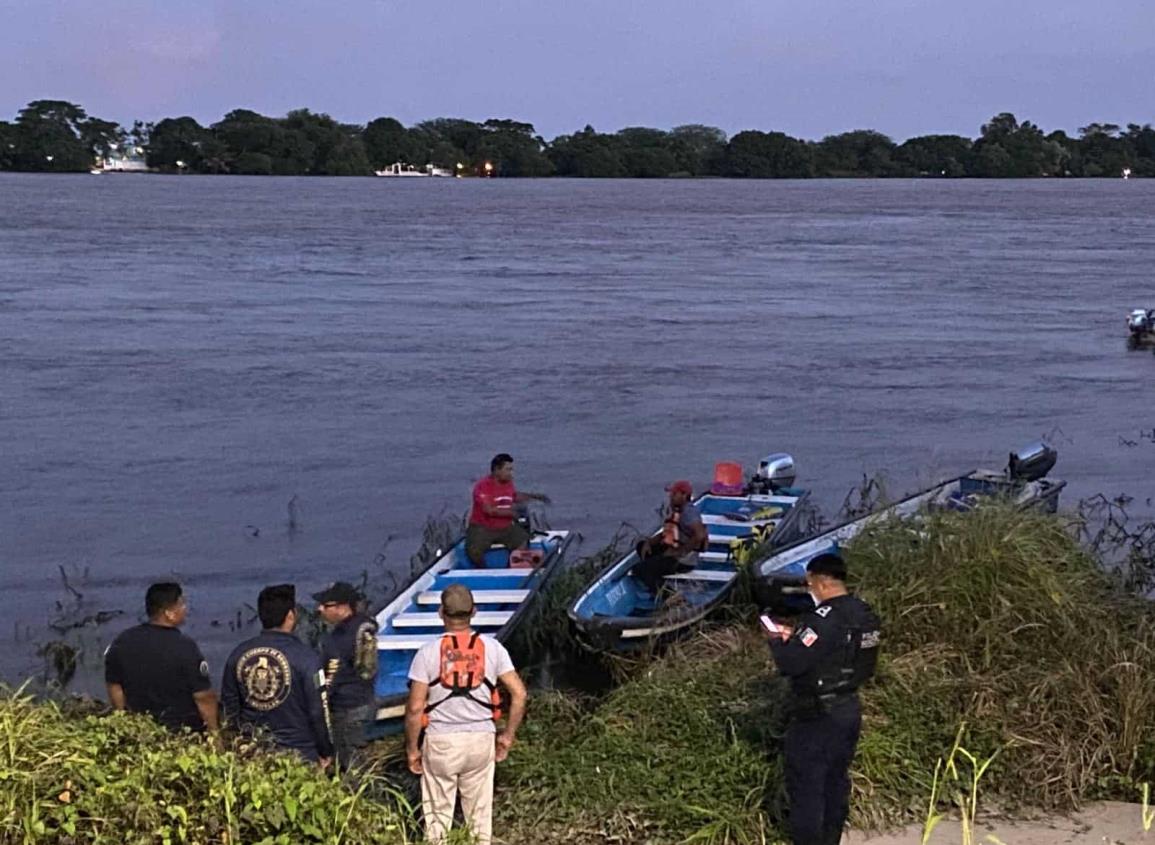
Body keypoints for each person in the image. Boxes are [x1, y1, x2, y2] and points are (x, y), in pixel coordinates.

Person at [765, 552, 882, 845]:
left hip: (817, 715)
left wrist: (777, 641)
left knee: (807, 787)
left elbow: (791, 663)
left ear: (820, 582)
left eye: (810, 584)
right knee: (835, 782)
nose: (810, 590)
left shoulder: (821, 618)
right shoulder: (864, 614)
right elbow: (845, 652)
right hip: (848, 708)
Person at [404, 583, 528, 845]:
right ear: (474, 612)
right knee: (479, 823)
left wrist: (412, 749)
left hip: (441, 742)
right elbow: (519, 694)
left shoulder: (427, 653)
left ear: (441, 613)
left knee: (437, 822)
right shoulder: (493, 649)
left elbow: (415, 708)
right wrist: (507, 736)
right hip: (481, 740)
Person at [221, 584, 333, 767]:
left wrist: (235, 745)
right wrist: (326, 750)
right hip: (299, 755)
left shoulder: (238, 654)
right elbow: (317, 710)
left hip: (253, 754)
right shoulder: (307, 658)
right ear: (291, 616)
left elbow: (230, 709)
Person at [104, 582, 219, 733]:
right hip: (180, 729)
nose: (185, 609)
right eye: (181, 605)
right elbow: (203, 696)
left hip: (139, 727)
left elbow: (114, 686)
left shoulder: (122, 641)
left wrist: (122, 721)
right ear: (169, 613)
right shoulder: (185, 647)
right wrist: (215, 734)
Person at [313, 580, 379, 770]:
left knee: (349, 763)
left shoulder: (339, 639)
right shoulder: (363, 627)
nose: (320, 609)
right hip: (365, 701)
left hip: (347, 708)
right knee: (356, 759)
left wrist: (318, 702)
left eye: (326, 606)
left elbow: (331, 677)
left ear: (343, 607)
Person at [465, 453, 550, 567]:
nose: (511, 473)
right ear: (496, 470)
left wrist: (535, 497)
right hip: (483, 527)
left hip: (505, 527)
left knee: (522, 541)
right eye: (508, 470)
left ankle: (512, 568)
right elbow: (489, 510)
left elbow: (513, 496)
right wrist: (512, 513)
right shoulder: (482, 487)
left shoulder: (508, 483)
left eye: (512, 470)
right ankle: (483, 570)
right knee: (474, 551)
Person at [631, 480, 708, 595]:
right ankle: (655, 573)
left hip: (682, 561)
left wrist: (681, 552)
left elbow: (700, 535)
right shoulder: (679, 510)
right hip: (672, 550)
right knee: (641, 546)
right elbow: (668, 533)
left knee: (640, 570)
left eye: (674, 494)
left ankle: (670, 596)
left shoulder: (688, 513)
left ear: (684, 495)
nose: (671, 497)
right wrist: (649, 543)